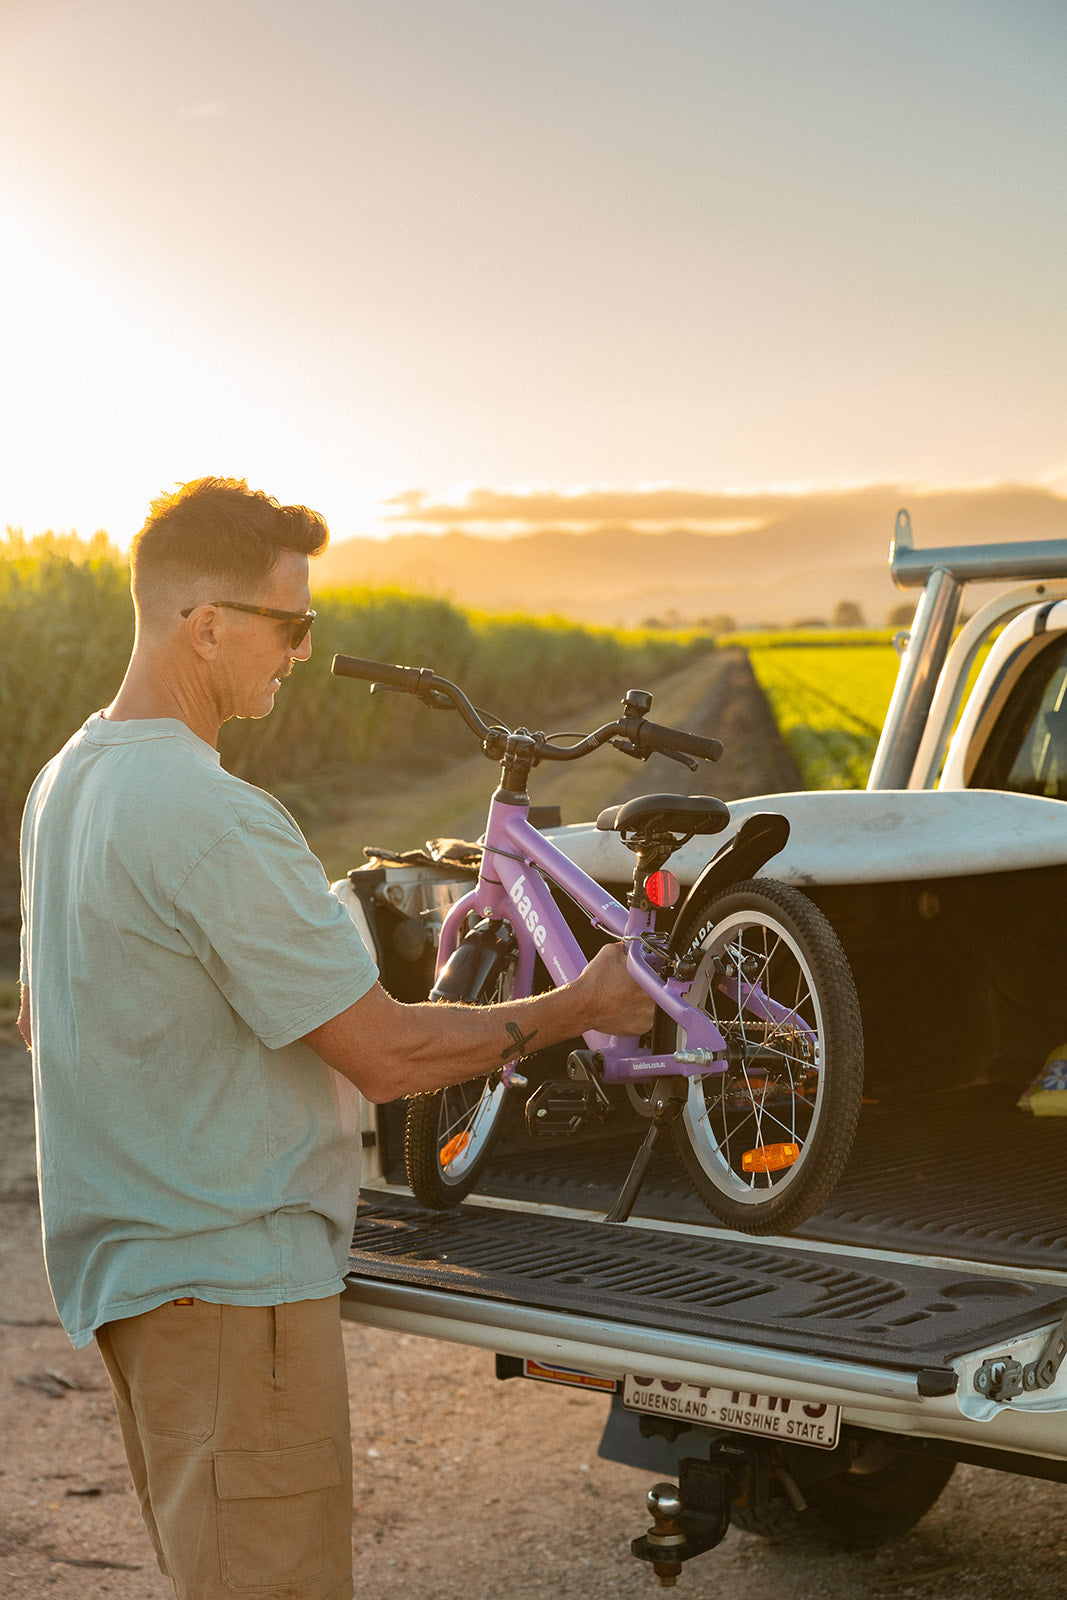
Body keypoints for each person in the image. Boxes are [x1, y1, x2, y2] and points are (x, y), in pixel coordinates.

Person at [17, 476, 653, 1600]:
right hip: (227, 1298)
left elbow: (44, 1012)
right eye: (289, 623)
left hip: (137, 1286)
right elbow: (385, 1055)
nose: (302, 652)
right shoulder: (208, 813)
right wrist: (576, 1009)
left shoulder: (66, 780)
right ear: (205, 623)